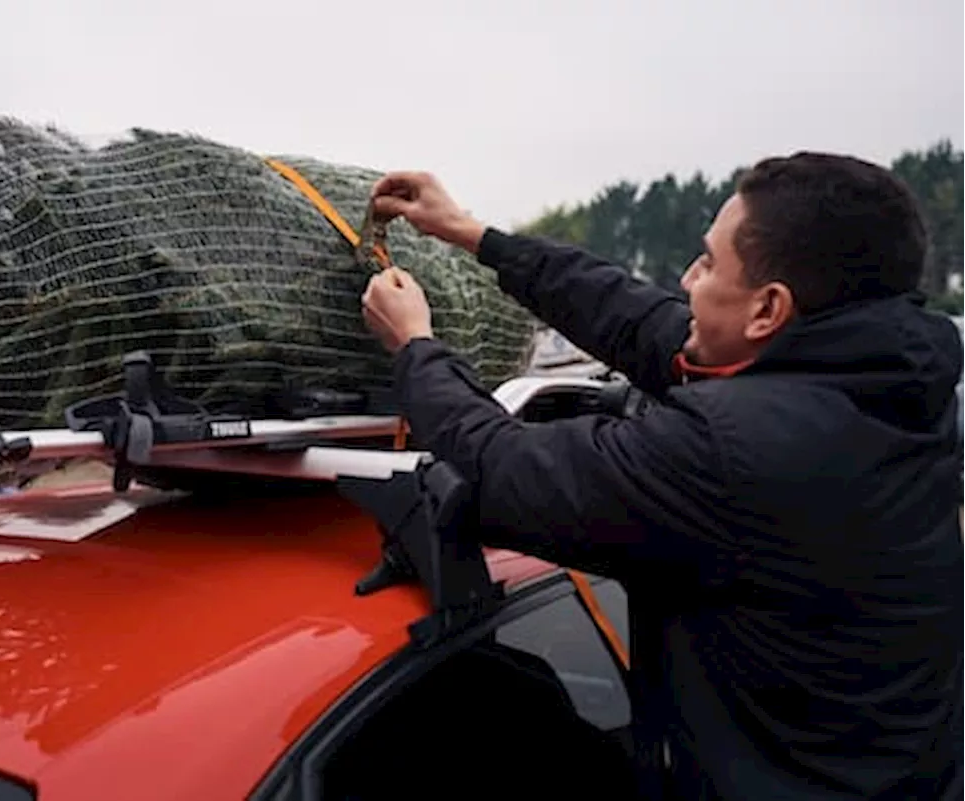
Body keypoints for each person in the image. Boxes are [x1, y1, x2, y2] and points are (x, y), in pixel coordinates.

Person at [360, 153, 965, 800]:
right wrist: (473, 234)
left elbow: (506, 472)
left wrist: (417, 348)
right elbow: (643, 321)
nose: (686, 279)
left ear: (767, 309)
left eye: (705, 263)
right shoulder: (884, 381)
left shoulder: (736, 452)